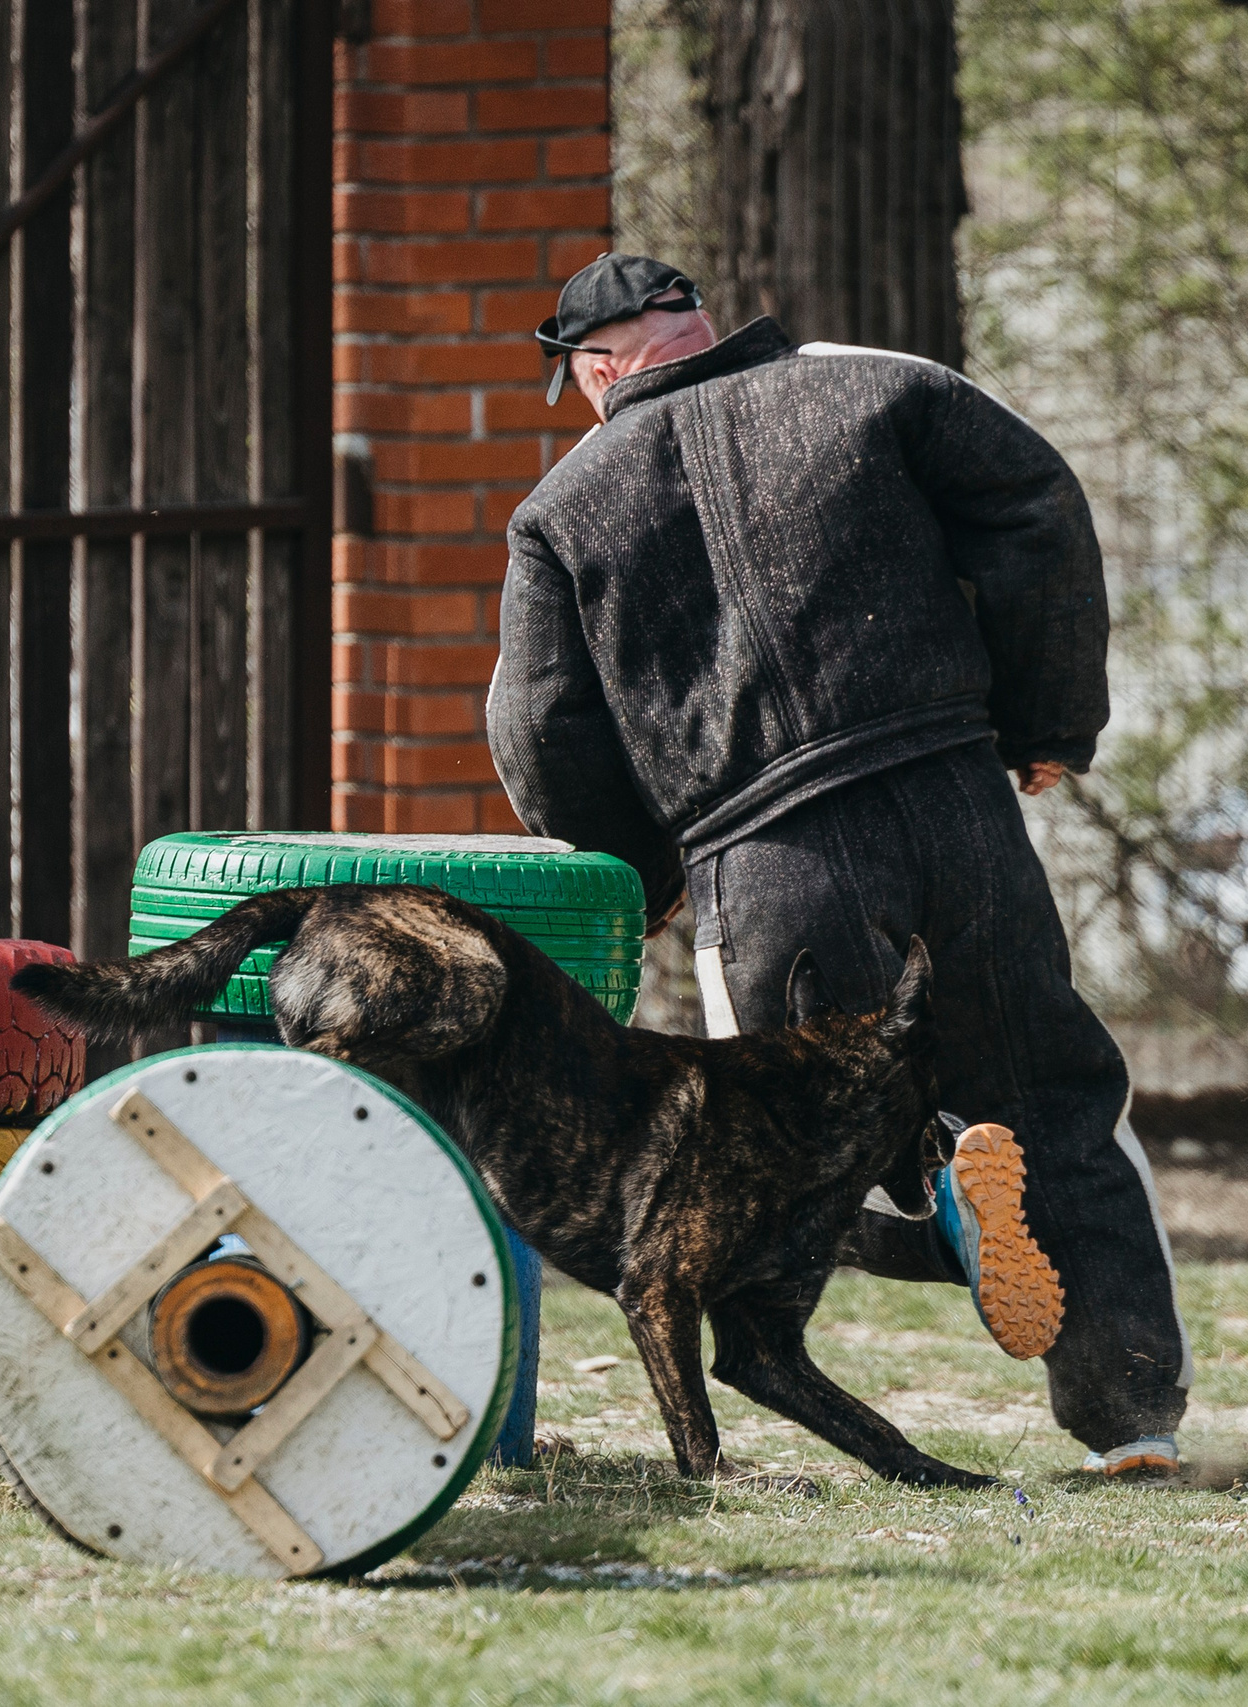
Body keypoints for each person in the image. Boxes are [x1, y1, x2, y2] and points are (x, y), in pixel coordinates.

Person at [486, 253, 1193, 1477]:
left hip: (766, 860)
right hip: (954, 802)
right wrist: (1044, 721)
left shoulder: (559, 507)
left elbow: (542, 724)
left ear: (596, 370)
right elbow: (1037, 506)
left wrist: (636, 879)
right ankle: (1131, 1418)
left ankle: (941, 1214)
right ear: (702, 323)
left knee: (776, 1152)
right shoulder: (875, 388)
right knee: (1055, 1095)